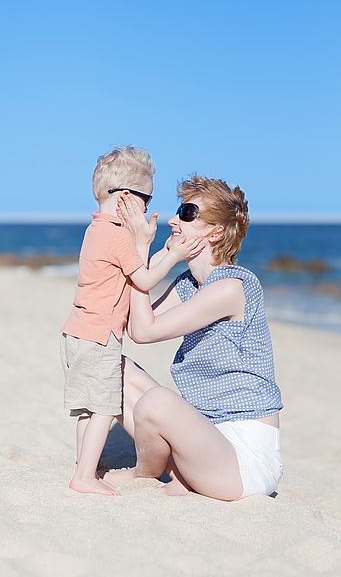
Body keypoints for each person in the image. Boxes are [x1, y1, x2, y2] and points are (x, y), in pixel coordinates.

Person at [106, 175, 284, 501]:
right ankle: (181, 474)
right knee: (110, 367)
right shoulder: (188, 283)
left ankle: (143, 474)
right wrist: (151, 260)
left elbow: (145, 332)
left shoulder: (232, 288)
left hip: (243, 461)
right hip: (205, 436)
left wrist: (140, 247)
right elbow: (135, 326)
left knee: (158, 402)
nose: (173, 220)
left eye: (188, 213)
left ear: (215, 232)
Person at [60, 147, 204, 496]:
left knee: (87, 407)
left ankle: (87, 465)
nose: (149, 207)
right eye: (147, 198)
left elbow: (133, 272)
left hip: (78, 331)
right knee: (104, 409)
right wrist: (173, 254)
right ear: (126, 198)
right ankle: (83, 477)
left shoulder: (97, 229)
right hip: (100, 335)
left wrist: (143, 243)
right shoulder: (115, 233)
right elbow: (143, 279)